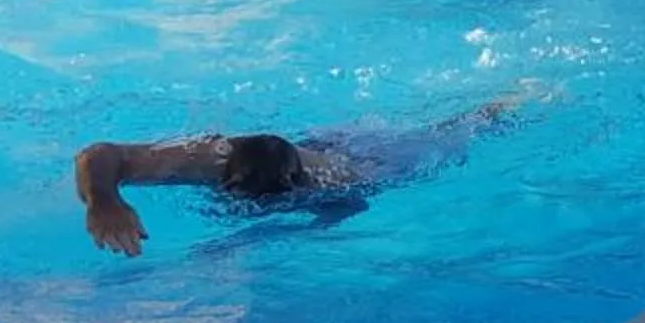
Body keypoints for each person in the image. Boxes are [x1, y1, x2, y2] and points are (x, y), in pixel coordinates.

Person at [74, 98, 522, 256]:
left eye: (265, 202)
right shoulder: (204, 156)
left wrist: (253, 238)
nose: (249, 207)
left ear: (291, 189)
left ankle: (498, 108)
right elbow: (98, 154)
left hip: (368, 158)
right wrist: (104, 200)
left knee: (446, 137)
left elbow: (346, 211)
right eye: (242, 196)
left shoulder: (337, 183)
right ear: (225, 177)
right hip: (312, 146)